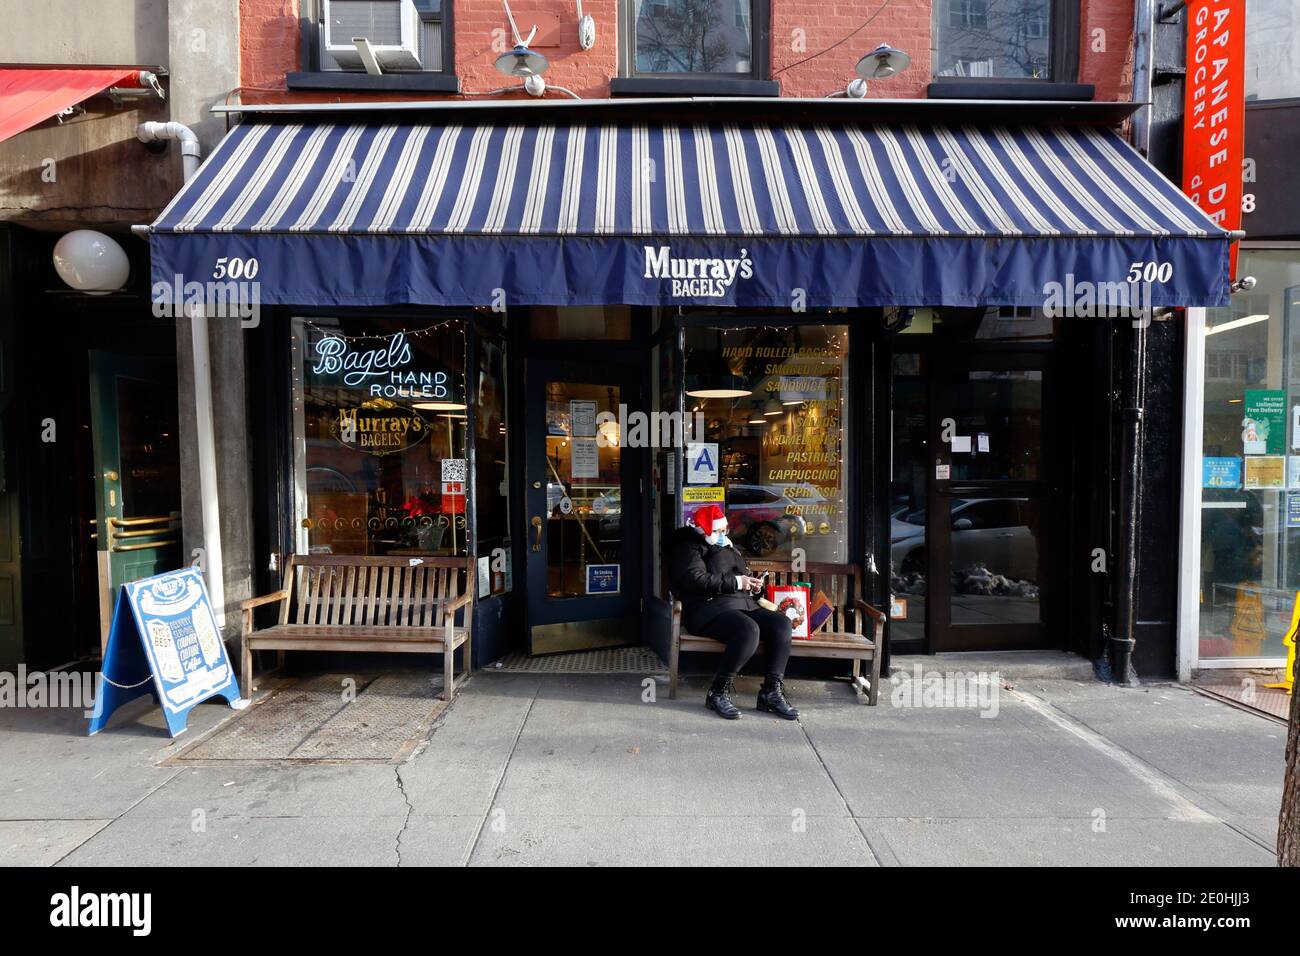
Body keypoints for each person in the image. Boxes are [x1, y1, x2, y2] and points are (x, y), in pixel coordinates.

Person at [669, 504, 798, 720]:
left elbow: (741, 576)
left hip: (743, 604)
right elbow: (695, 579)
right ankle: (717, 693)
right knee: (748, 630)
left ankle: (771, 692)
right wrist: (737, 582)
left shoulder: (730, 547)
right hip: (709, 608)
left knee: (781, 625)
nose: (723, 535)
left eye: (725, 530)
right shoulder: (690, 548)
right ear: (705, 530)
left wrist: (754, 586)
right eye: (718, 531)